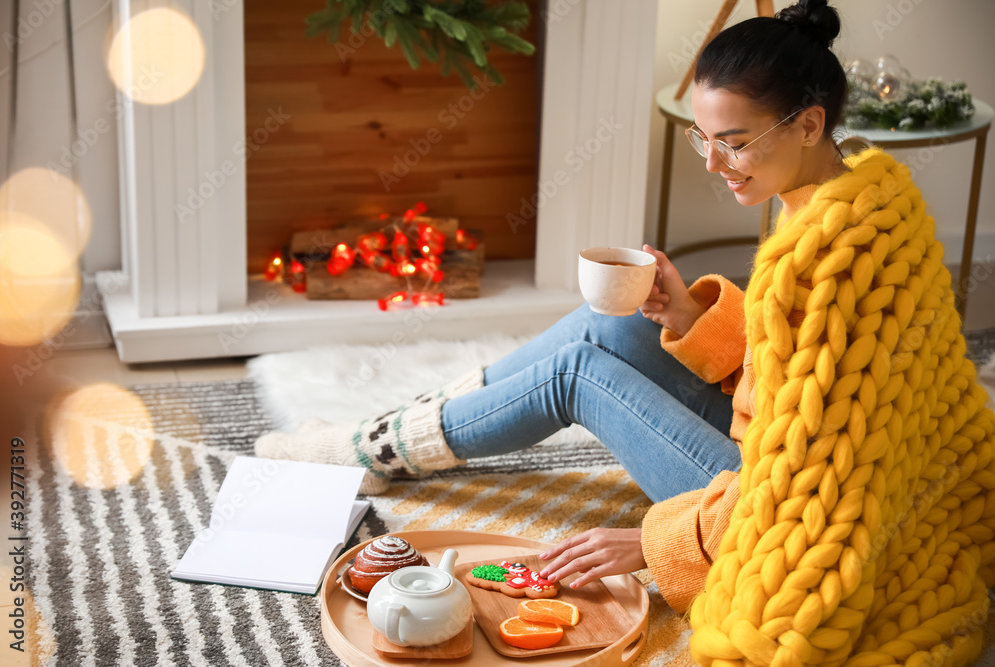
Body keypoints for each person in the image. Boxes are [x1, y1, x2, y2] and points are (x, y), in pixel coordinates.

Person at [256, 0, 875, 611]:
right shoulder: (834, 204)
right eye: (703, 139)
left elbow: (817, 480)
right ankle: (389, 435)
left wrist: (655, 543)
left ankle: (373, 450)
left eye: (734, 143)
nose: (715, 164)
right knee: (613, 319)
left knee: (577, 372)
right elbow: (787, 379)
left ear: (809, 125)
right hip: (767, 454)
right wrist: (688, 318)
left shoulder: (837, 265)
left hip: (775, 511)